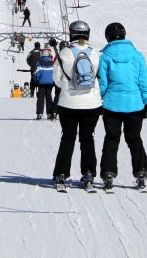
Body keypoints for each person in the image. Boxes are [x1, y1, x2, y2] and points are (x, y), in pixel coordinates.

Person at [98, 22, 147, 191]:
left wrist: (100, 101)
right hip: (135, 105)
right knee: (134, 139)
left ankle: (108, 173)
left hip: (111, 105)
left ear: (108, 36)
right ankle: (141, 172)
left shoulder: (105, 57)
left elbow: (103, 84)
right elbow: (143, 82)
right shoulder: (137, 56)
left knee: (112, 139)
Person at [51, 20, 102, 190]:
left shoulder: (64, 53)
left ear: (71, 33)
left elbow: (57, 80)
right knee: (87, 139)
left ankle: (61, 174)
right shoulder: (95, 54)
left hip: (68, 103)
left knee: (68, 138)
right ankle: (88, 173)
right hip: (92, 104)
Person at [34, 48, 55, 120]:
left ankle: (39, 113)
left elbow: (37, 73)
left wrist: (37, 80)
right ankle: (49, 113)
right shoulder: (52, 63)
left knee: (40, 98)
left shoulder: (39, 63)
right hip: (50, 83)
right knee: (49, 97)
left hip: (41, 83)